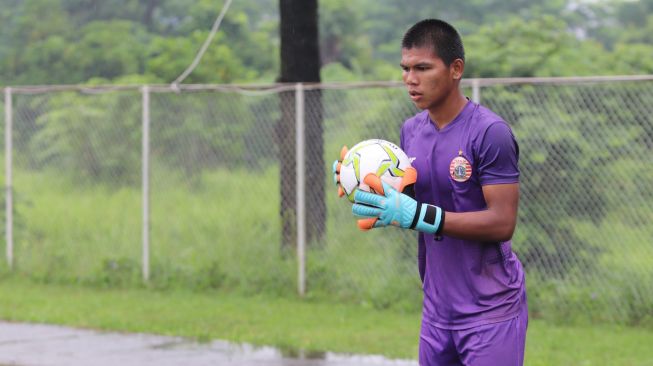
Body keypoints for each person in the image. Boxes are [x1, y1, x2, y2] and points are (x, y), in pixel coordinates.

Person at [334, 19, 527, 366]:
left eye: (423, 68)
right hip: (437, 312)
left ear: (456, 69)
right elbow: (407, 198)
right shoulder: (411, 131)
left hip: (490, 311)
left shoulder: (490, 132)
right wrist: (358, 179)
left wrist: (419, 216)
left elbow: (502, 223)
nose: (411, 78)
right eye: (405, 69)